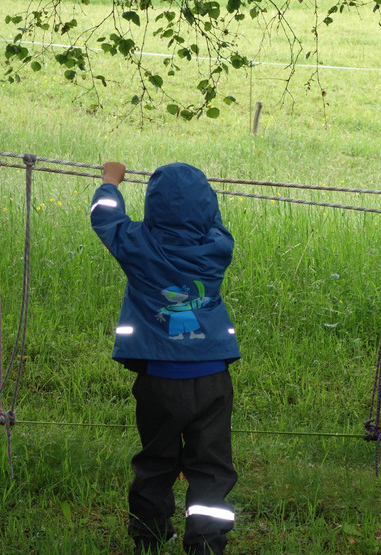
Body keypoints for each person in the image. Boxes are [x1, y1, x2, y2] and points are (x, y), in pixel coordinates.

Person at [91, 161, 239, 555]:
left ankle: (150, 538)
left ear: (152, 209)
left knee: (156, 459)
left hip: (158, 379)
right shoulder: (218, 248)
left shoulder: (137, 244)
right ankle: (207, 545)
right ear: (208, 210)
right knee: (211, 466)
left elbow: (105, 220)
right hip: (212, 379)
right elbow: (214, 221)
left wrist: (110, 183)